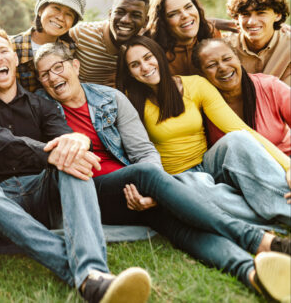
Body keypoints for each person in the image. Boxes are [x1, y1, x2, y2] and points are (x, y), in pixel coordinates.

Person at [34, 42, 291, 298]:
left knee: (182, 229)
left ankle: (252, 275)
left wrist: (151, 194)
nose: (53, 77)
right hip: (90, 191)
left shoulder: (110, 98)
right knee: (145, 175)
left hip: (133, 189)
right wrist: (149, 180)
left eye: (58, 67)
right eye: (44, 74)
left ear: (76, 66)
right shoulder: (41, 108)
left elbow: (143, 152)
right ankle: (260, 241)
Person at [0, 23, 152, 303]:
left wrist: (78, 144)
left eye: (3, 51)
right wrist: (50, 153)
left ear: (15, 59)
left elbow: (67, 140)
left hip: (42, 192)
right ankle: (84, 275)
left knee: (73, 163)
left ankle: (93, 272)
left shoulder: (42, 105)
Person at [116, 35, 291, 227]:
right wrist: (158, 190)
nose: (145, 67)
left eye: (148, 57)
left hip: (208, 164)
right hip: (176, 178)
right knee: (201, 189)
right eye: (135, 64)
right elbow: (136, 153)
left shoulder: (195, 85)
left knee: (237, 138)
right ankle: (270, 219)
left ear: (158, 55)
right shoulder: (128, 102)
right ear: (130, 73)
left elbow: (240, 128)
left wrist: (288, 167)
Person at [193, 38, 290, 155]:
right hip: (235, 170)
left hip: (285, 161)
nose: (223, 68)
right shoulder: (199, 105)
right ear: (202, 74)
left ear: (238, 59)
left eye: (227, 59)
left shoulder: (270, 87)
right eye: (211, 65)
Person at [69, 0, 149, 87]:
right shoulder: (81, 33)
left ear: (146, 21)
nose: (126, 20)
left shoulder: (146, 47)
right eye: (120, 12)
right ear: (110, 14)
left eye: (136, 15)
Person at [12, 0, 85, 92]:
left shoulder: (70, 49)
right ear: (41, 10)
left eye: (69, 14)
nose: (60, 17)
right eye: (56, 8)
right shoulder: (12, 47)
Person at [224, 0, 290, 85]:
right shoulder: (225, 46)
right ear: (237, 18)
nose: (252, 22)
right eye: (245, 14)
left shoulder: (288, 44)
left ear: (277, 15)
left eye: (261, 13)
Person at [146, 0, 221, 76]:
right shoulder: (152, 53)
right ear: (163, 22)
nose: (185, 15)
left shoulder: (212, 35)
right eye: (173, 14)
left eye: (188, 7)